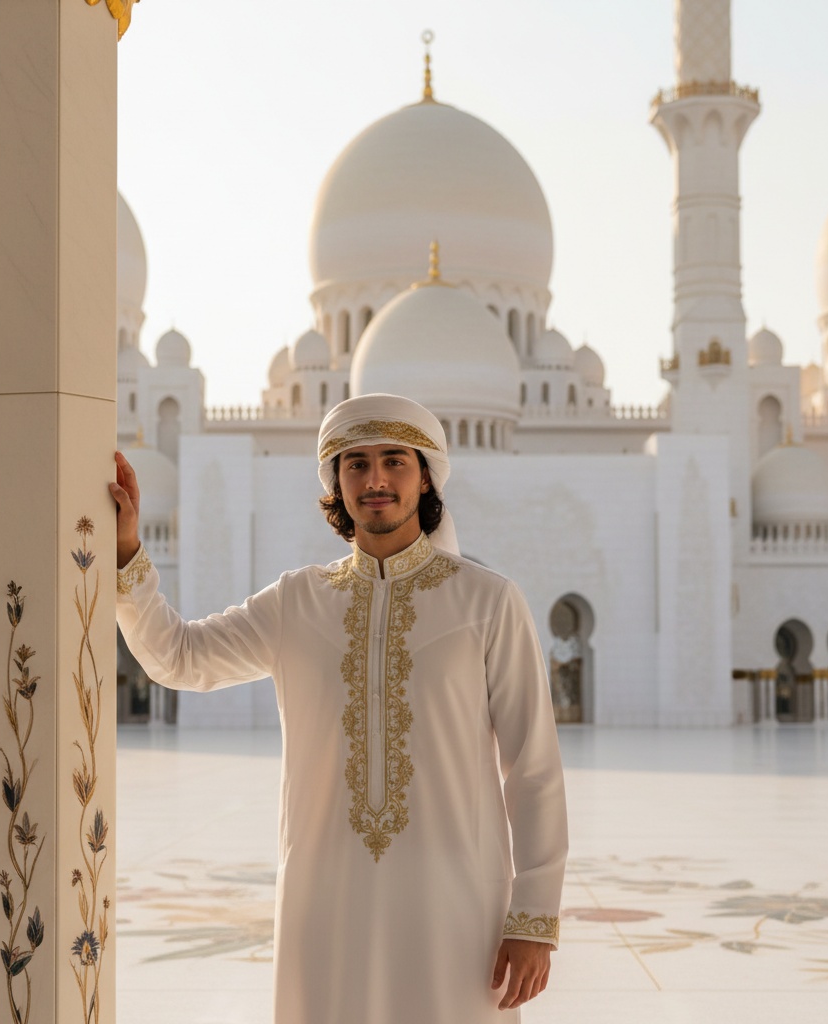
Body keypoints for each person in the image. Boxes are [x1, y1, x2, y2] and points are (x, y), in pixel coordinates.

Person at [110, 393, 568, 1024]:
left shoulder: (487, 602)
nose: (375, 479)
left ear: (426, 476)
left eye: (393, 461)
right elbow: (179, 655)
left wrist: (534, 916)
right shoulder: (298, 601)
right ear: (336, 483)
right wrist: (127, 552)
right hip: (326, 907)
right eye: (355, 463)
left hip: (456, 908)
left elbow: (533, 766)